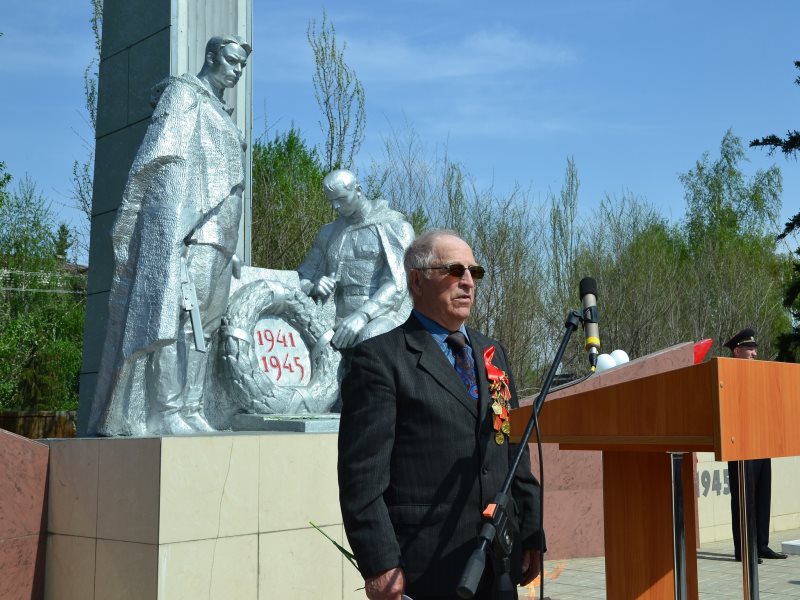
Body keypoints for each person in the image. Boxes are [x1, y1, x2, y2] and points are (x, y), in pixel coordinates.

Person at [338, 230, 544, 599]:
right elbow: (361, 477)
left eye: (474, 272)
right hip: (428, 565)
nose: (467, 281)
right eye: (454, 269)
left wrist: (530, 531)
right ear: (417, 279)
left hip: (500, 559)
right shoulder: (380, 360)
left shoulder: (492, 353)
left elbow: (514, 450)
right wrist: (380, 561)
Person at [88, 35, 251, 436]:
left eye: (241, 66)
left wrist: (231, 247)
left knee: (205, 328)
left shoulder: (222, 110)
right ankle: (167, 408)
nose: (236, 70)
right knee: (177, 317)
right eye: (231, 61)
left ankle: (193, 406)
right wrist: (170, 234)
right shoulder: (182, 94)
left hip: (221, 236)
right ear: (210, 55)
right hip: (193, 231)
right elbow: (166, 162)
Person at [298, 169, 414, 351]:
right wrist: (313, 286)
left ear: (358, 190)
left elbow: (397, 284)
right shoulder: (327, 233)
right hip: (333, 314)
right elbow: (301, 278)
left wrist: (363, 315)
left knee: (369, 337)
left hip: (381, 315)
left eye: (341, 199)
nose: (336, 207)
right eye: (332, 201)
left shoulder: (395, 227)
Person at [725, 328, 787, 562]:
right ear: (736, 351)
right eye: (749, 348)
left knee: (762, 496)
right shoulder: (728, 375)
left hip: (762, 443)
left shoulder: (761, 375)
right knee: (743, 499)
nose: (755, 353)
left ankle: (761, 545)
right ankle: (744, 548)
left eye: (755, 348)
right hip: (740, 446)